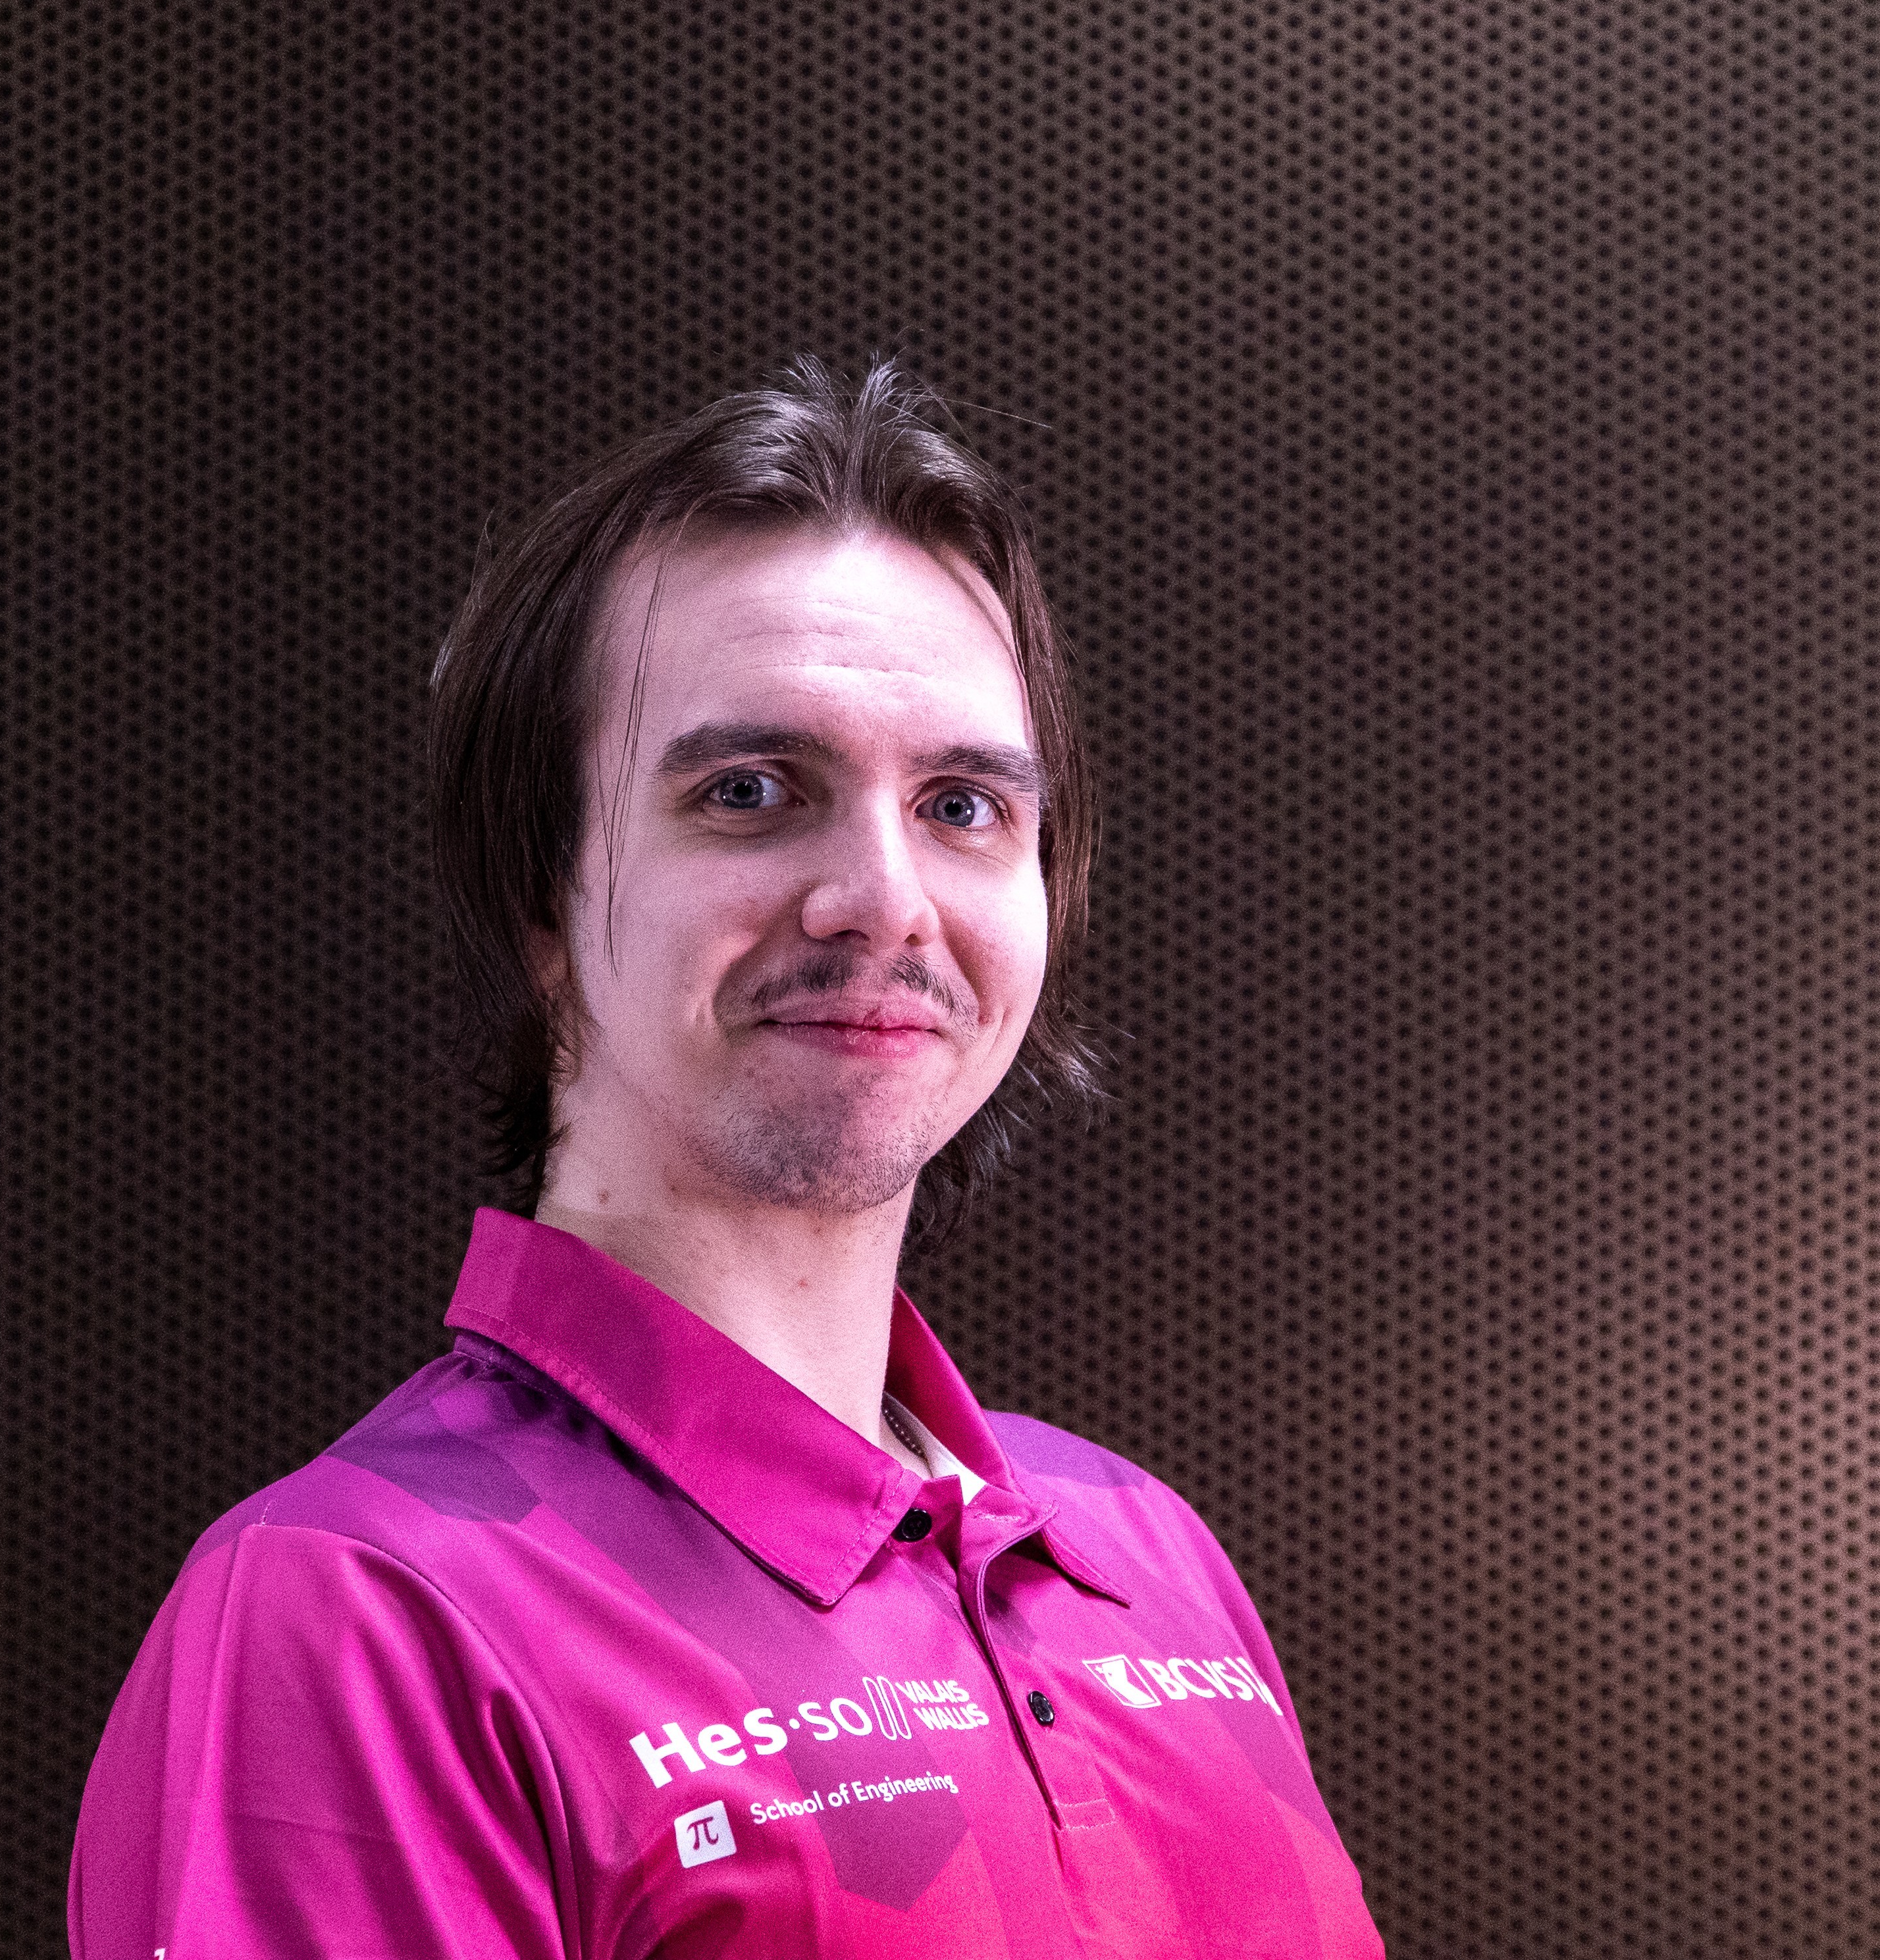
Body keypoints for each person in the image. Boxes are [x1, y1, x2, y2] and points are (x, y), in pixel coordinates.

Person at [69, 359, 1384, 1958]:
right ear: (538, 894)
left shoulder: (1145, 1551)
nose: (883, 898)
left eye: (963, 806)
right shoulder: (359, 1608)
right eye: (750, 792)